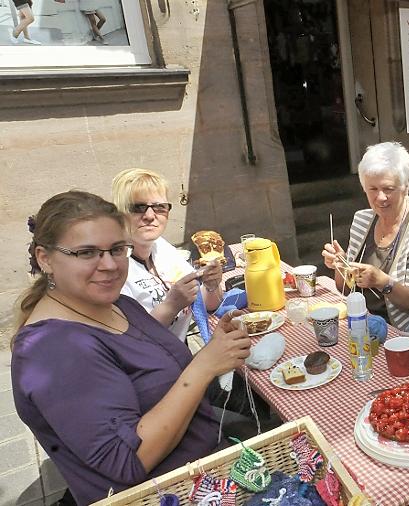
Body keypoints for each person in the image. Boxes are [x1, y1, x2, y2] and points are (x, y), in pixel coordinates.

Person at [11, 191, 250, 504]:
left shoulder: (119, 304)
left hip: (207, 465)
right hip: (173, 494)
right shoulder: (52, 351)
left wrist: (217, 346)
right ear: (45, 258)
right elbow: (128, 461)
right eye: (86, 253)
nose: (109, 265)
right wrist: (204, 366)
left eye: (117, 249)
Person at [322, 142, 409, 331]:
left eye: (388, 189)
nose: (380, 197)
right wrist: (341, 266)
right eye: (373, 189)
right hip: (358, 321)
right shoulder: (362, 220)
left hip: (403, 335)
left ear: (406, 187)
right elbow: (345, 290)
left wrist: (382, 282)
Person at [112, 168, 225, 345]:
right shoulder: (113, 267)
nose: (150, 216)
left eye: (159, 207)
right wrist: (171, 306)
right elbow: (131, 341)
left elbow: (206, 304)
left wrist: (212, 285)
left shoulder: (161, 247)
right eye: (138, 207)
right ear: (120, 213)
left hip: (179, 355)